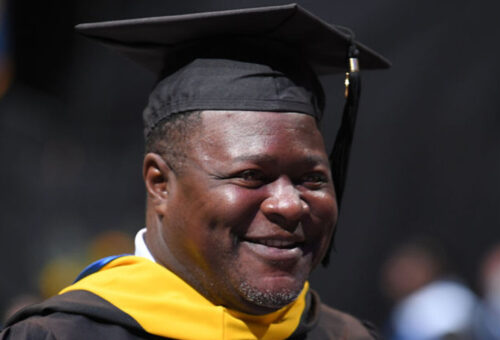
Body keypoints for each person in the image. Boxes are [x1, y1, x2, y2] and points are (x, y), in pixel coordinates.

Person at [0, 4, 389, 339]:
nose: (290, 205)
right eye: (251, 176)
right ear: (160, 184)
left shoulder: (347, 335)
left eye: (312, 179)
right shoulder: (60, 336)